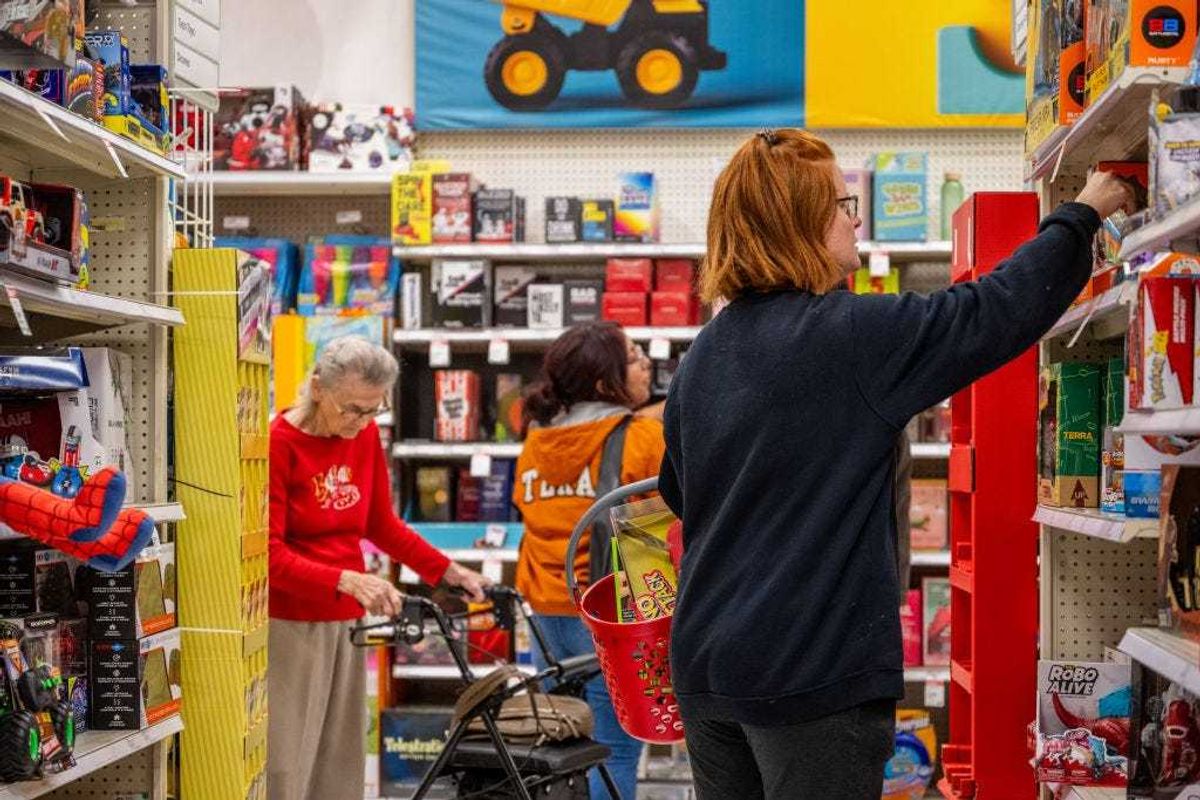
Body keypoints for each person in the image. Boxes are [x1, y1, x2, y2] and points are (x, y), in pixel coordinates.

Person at [658, 128, 1133, 799]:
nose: (854, 220)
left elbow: (682, 494)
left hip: (709, 662)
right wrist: (1082, 211)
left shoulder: (706, 353)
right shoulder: (848, 335)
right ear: (799, 223)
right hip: (810, 671)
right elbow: (995, 310)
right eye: (840, 204)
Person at [268, 336, 489, 800]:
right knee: (287, 759)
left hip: (348, 618)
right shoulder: (279, 443)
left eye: (374, 411)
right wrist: (345, 578)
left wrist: (450, 572)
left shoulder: (364, 435)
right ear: (317, 387)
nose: (362, 422)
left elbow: (381, 524)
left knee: (340, 757)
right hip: (289, 621)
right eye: (352, 409)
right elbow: (267, 553)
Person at [513, 321, 665, 800]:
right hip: (611, 613)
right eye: (636, 357)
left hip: (547, 614)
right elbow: (662, 529)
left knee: (563, 749)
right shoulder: (641, 439)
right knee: (613, 749)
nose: (646, 366)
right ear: (606, 381)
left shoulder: (537, 440)